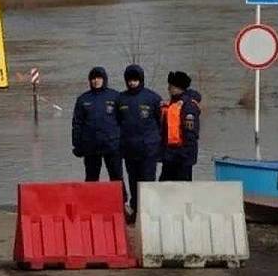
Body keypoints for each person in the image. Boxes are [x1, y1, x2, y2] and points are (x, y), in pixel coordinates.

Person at [116, 64, 163, 223]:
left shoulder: (153, 98)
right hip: (129, 150)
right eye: (130, 81)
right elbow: (117, 122)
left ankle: (149, 214)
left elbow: (160, 123)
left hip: (148, 149)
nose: (132, 83)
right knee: (133, 181)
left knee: (147, 181)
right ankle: (135, 211)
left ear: (141, 80)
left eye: (135, 80)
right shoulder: (120, 99)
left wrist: (158, 146)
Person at [71, 67, 125, 197]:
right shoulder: (83, 99)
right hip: (91, 146)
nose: (96, 81)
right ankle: (89, 203)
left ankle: (121, 202)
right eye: (93, 78)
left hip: (112, 145)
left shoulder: (115, 96)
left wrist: (123, 143)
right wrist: (77, 145)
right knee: (91, 177)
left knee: (116, 176)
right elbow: (77, 124)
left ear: (104, 79)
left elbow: (124, 121)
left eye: (98, 78)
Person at [160, 71, 201, 182]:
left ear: (178, 88)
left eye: (171, 86)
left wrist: (185, 154)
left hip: (183, 156)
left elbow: (191, 133)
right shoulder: (171, 105)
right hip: (169, 155)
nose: (168, 89)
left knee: (183, 188)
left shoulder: (188, 106)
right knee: (164, 186)